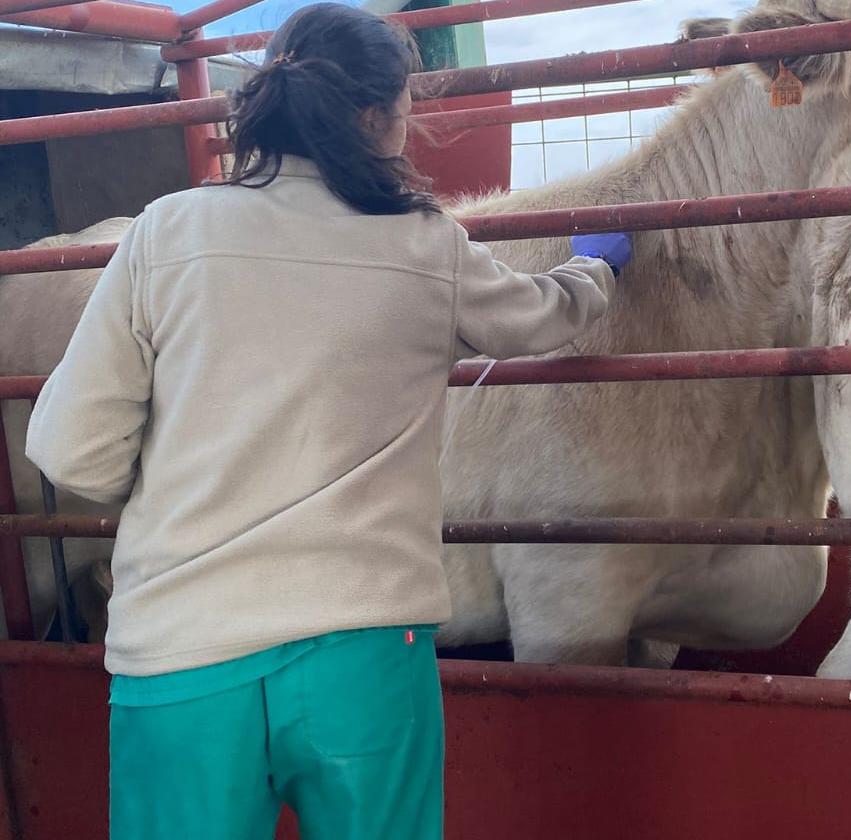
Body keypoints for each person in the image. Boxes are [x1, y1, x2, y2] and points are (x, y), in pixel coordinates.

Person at [24, 4, 633, 839]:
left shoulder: (168, 232)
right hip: (367, 658)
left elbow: (72, 454)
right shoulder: (424, 243)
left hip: (181, 658)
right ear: (382, 117)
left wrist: (187, 481)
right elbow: (541, 318)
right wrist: (595, 268)